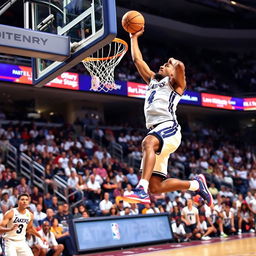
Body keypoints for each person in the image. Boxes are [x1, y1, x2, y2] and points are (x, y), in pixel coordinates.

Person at [122, 28, 213, 206]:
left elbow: (180, 67)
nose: (162, 65)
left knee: (147, 142)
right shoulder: (153, 81)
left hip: (168, 128)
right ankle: (196, 184)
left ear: (171, 74)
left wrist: (173, 62)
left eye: (166, 65)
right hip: (157, 132)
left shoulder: (176, 85)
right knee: (155, 188)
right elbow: (137, 60)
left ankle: (140, 188)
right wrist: (133, 37)